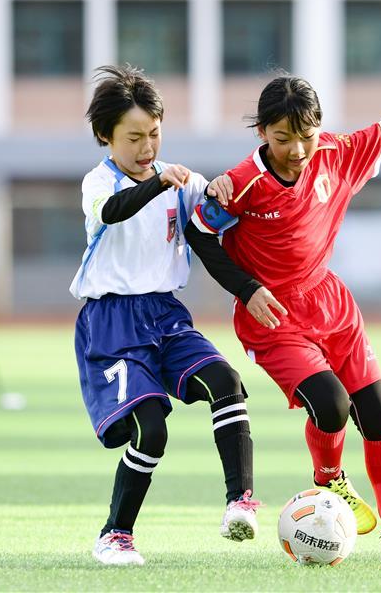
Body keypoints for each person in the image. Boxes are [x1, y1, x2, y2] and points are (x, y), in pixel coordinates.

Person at [184, 47, 381, 564]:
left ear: (319, 129)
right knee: (332, 405)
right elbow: (201, 236)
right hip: (273, 318)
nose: (296, 150)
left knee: (377, 416)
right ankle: (330, 479)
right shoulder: (240, 184)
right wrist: (247, 289)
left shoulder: (336, 153)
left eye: (305, 137)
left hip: (332, 305)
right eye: (282, 138)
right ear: (262, 132)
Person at [71, 65, 257, 566]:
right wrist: (159, 185)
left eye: (154, 133)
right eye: (134, 137)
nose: (147, 146)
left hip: (167, 315)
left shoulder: (182, 179)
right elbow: (113, 212)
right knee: (151, 429)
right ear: (105, 136)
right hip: (111, 324)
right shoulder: (98, 182)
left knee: (227, 381)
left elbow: (218, 217)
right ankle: (115, 535)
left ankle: (240, 503)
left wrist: (220, 193)